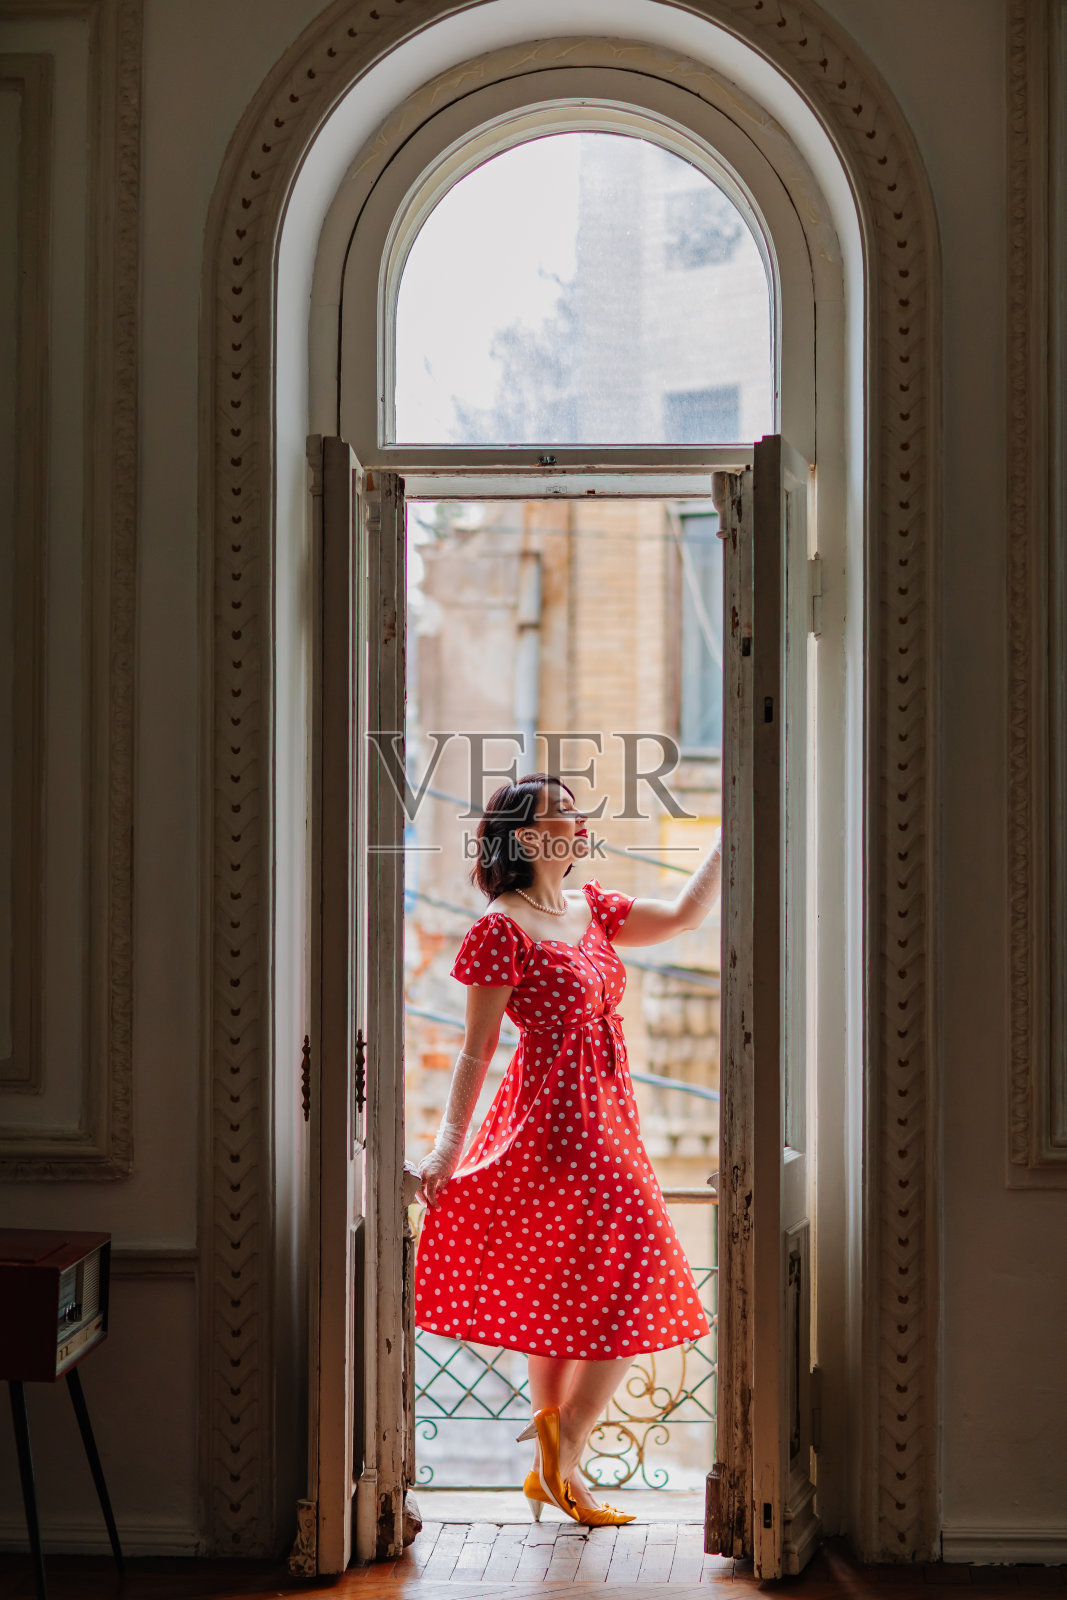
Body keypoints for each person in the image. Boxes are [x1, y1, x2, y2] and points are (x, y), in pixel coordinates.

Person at [414, 772, 722, 1527]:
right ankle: (571, 1436)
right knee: (644, 1264)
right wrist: (446, 1150)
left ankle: (559, 1474)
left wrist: (734, 824)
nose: (576, 820)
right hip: (559, 1123)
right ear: (524, 836)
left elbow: (685, 913)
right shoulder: (500, 926)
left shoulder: (594, 911)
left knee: (568, 1289)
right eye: (559, 812)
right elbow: (474, 1051)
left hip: (608, 1118)